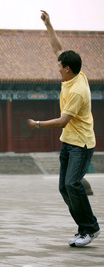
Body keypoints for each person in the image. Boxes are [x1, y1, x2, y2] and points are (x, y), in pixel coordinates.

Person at [28, 10, 100, 247]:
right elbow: (57, 48)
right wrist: (49, 25)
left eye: (60, 65)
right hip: (69, 142)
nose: (57, 67)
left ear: (67, 68)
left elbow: (61, 121)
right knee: (64, 187)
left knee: (71, 184)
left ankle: (89, 229)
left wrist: (37, 123)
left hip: (81, 144)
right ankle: (83, 228)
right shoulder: (75, 75)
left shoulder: (78, 91)